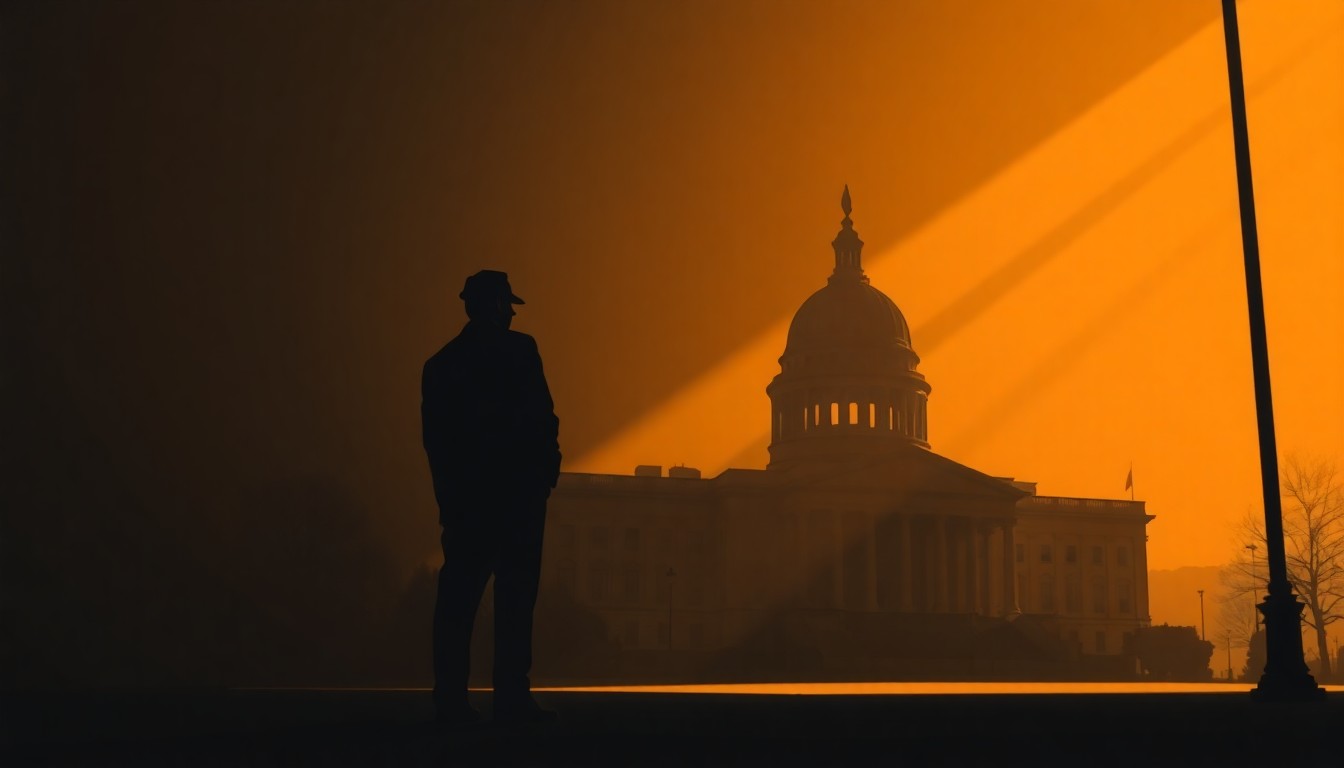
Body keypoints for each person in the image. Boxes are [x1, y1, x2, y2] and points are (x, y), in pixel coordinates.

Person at [421, 269, 562, 726]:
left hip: (469, 500)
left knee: (458, 603)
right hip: (518, 497)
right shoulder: (521, 351)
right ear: (499, 306)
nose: (510, 315)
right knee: (515, 602)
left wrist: (449, 499)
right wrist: (545, 474)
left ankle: (450, 699)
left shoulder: (441, 364)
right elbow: (543, 417)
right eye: (509, 306)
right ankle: (511, 698)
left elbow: (436, 444)